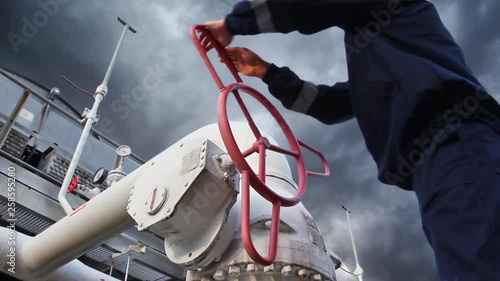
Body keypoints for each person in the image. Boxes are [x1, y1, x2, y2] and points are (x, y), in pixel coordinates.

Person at [201, 1, 500, 280]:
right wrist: (267, 71)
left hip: (455, 145)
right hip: (439, 165)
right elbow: (328, 105)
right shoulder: (383, 59)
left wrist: (233, 23)